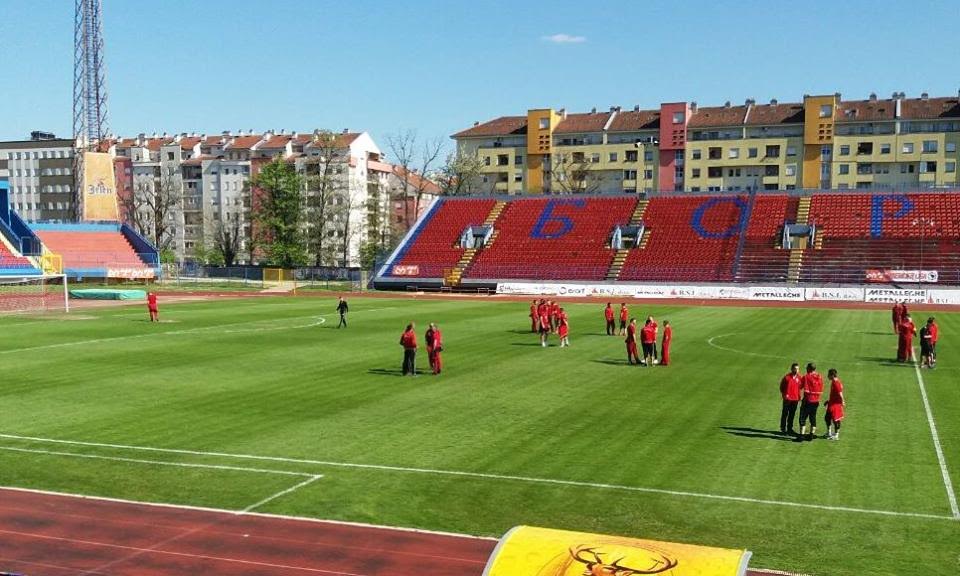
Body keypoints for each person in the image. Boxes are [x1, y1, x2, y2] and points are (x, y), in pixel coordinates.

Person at [798, 362, 824, 441]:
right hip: (816, 401)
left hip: (807, 400)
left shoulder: (806, 377)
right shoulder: (819, 377)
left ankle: (801, 436)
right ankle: (811, 435)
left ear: (809, 369)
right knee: (813, 418)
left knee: (802, 418)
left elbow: (800, 386)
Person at [779, 363, 801, 435]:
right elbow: (782, 387)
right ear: (792, 369)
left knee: (792, 414)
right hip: (787, 399)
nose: (796, 370)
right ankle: (783, 429)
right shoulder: (787, 377)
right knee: (785, 414)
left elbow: (800, 387)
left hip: (795, 399)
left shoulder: (799, 377)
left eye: (797, 369)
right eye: (795, 368)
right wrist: (785, 395)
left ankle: (789, 429)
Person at [823, 368, 845, 440]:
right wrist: (828, 401)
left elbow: (840, 393)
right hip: (831, 403)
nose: (827, 376)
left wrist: (843, 401)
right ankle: (829, 433)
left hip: (836, 405)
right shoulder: (833, 382)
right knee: (827, 418)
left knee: (836, 420)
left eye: (828, 375)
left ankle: (836, 435)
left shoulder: (836, 383)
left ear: (832, 375)